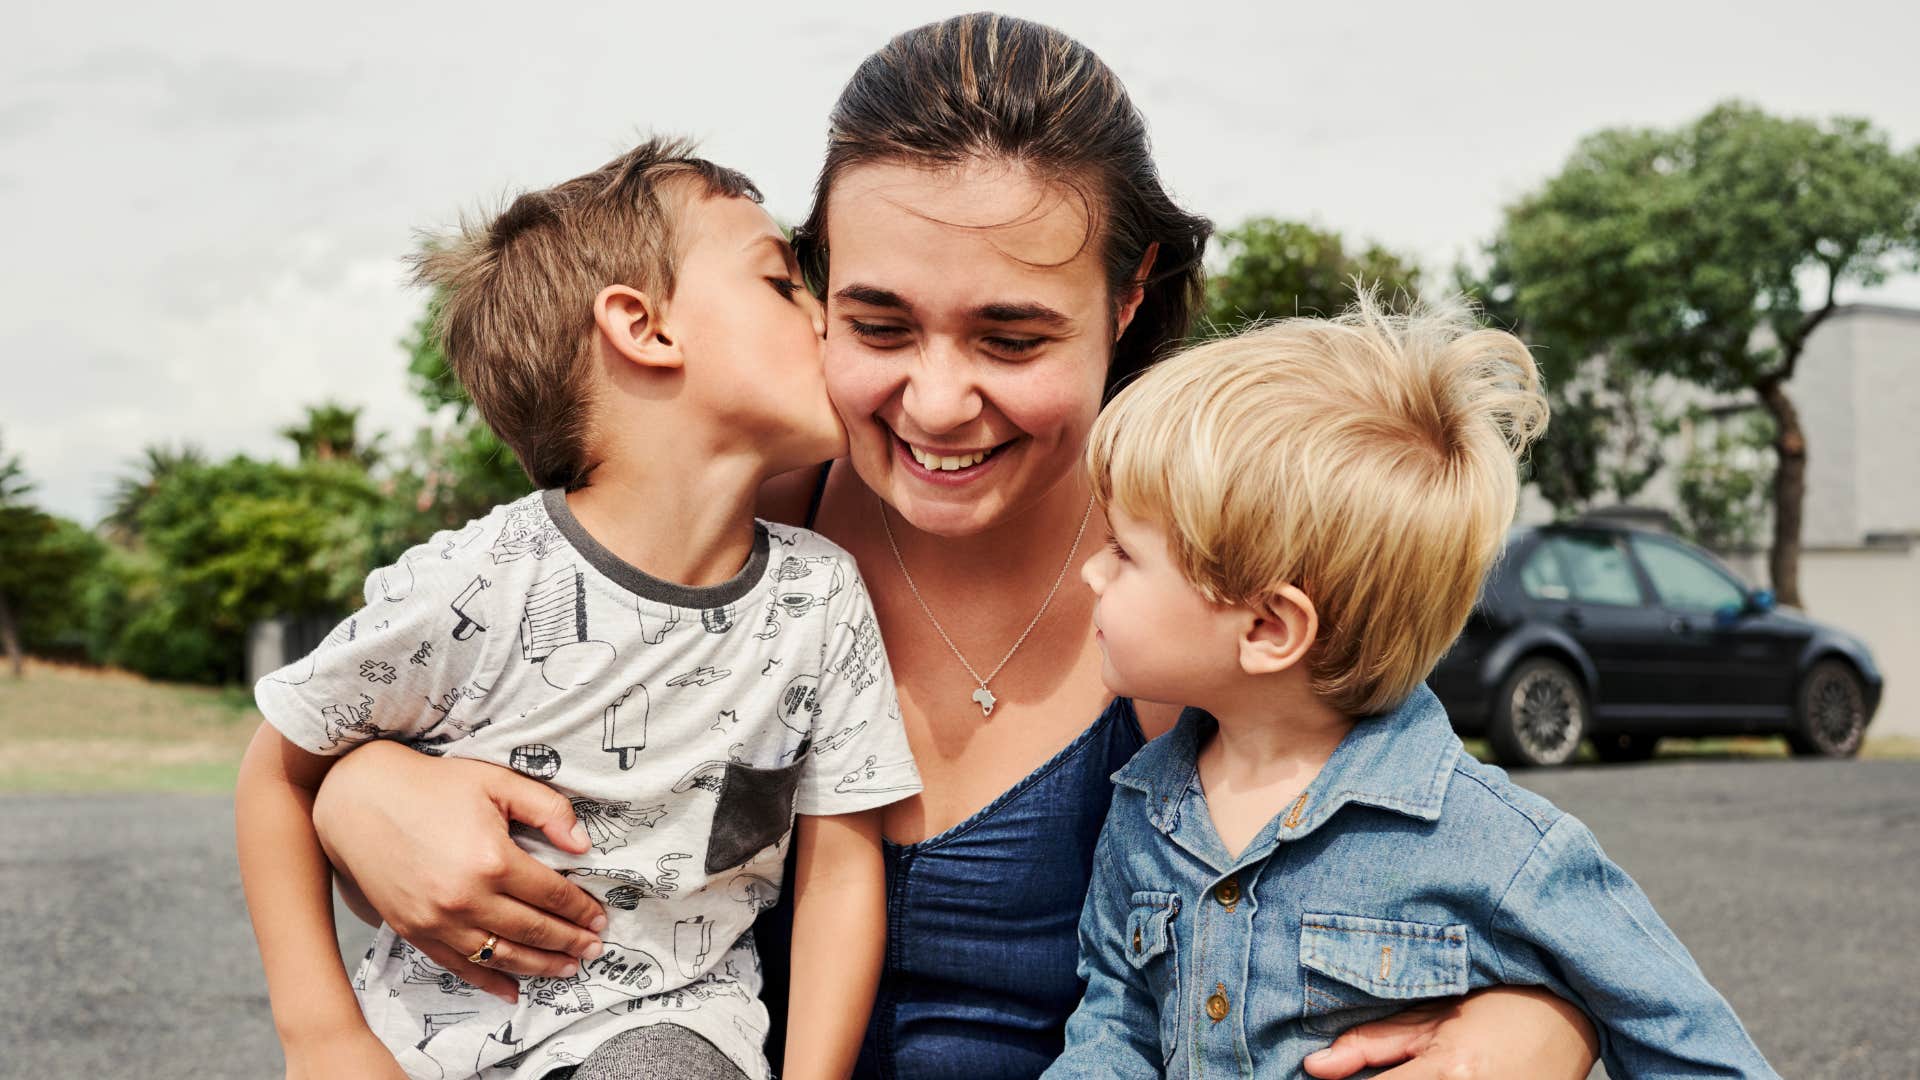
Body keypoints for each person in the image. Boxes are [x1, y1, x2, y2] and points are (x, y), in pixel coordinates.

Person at [306, 15, 1602, 1079]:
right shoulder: (730, 531)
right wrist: (360, 794)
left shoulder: (1203, 574)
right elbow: (441, 721)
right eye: (878, 322)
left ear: (1129, 295)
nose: (936, 403)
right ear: (809, 288)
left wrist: (1532, 1032)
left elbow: (1459, 872)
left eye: (1012, 337)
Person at [234, 138, 919, 1080]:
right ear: (643, 326)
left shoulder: (822, 597)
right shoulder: (477, 581)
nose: (827, 320)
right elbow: (277, 778)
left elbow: (842, 871)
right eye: (780, 282)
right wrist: (323, 1039)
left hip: (667, 1040)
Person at [1044, 300, 1779, 1077]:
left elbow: (1701, 1052)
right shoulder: (1142, 807)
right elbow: (1114, 1025)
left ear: (1267, 627)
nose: (1091, 574)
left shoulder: (1500, 847)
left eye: (1123, 553)